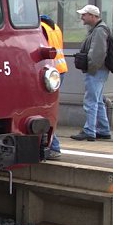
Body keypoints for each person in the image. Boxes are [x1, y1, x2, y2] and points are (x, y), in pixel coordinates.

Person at [70, 4, 112, 141]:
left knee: (91, 101)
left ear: (93, 16)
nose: (82, 17)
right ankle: (103, 129)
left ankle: (89, 131)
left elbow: (98, 53)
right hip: (100, 70)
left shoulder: (99, 31)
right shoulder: (98, 29)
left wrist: (91, 68)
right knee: (98, 101)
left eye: (84, 15)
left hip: (96, 70)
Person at [40, 14, 68, 159]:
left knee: (44, 109)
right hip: (59, 70)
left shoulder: (41, 28)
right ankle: (52, 146)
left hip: (48, 72)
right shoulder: (54, 26)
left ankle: (54, 147)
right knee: (50, 107)